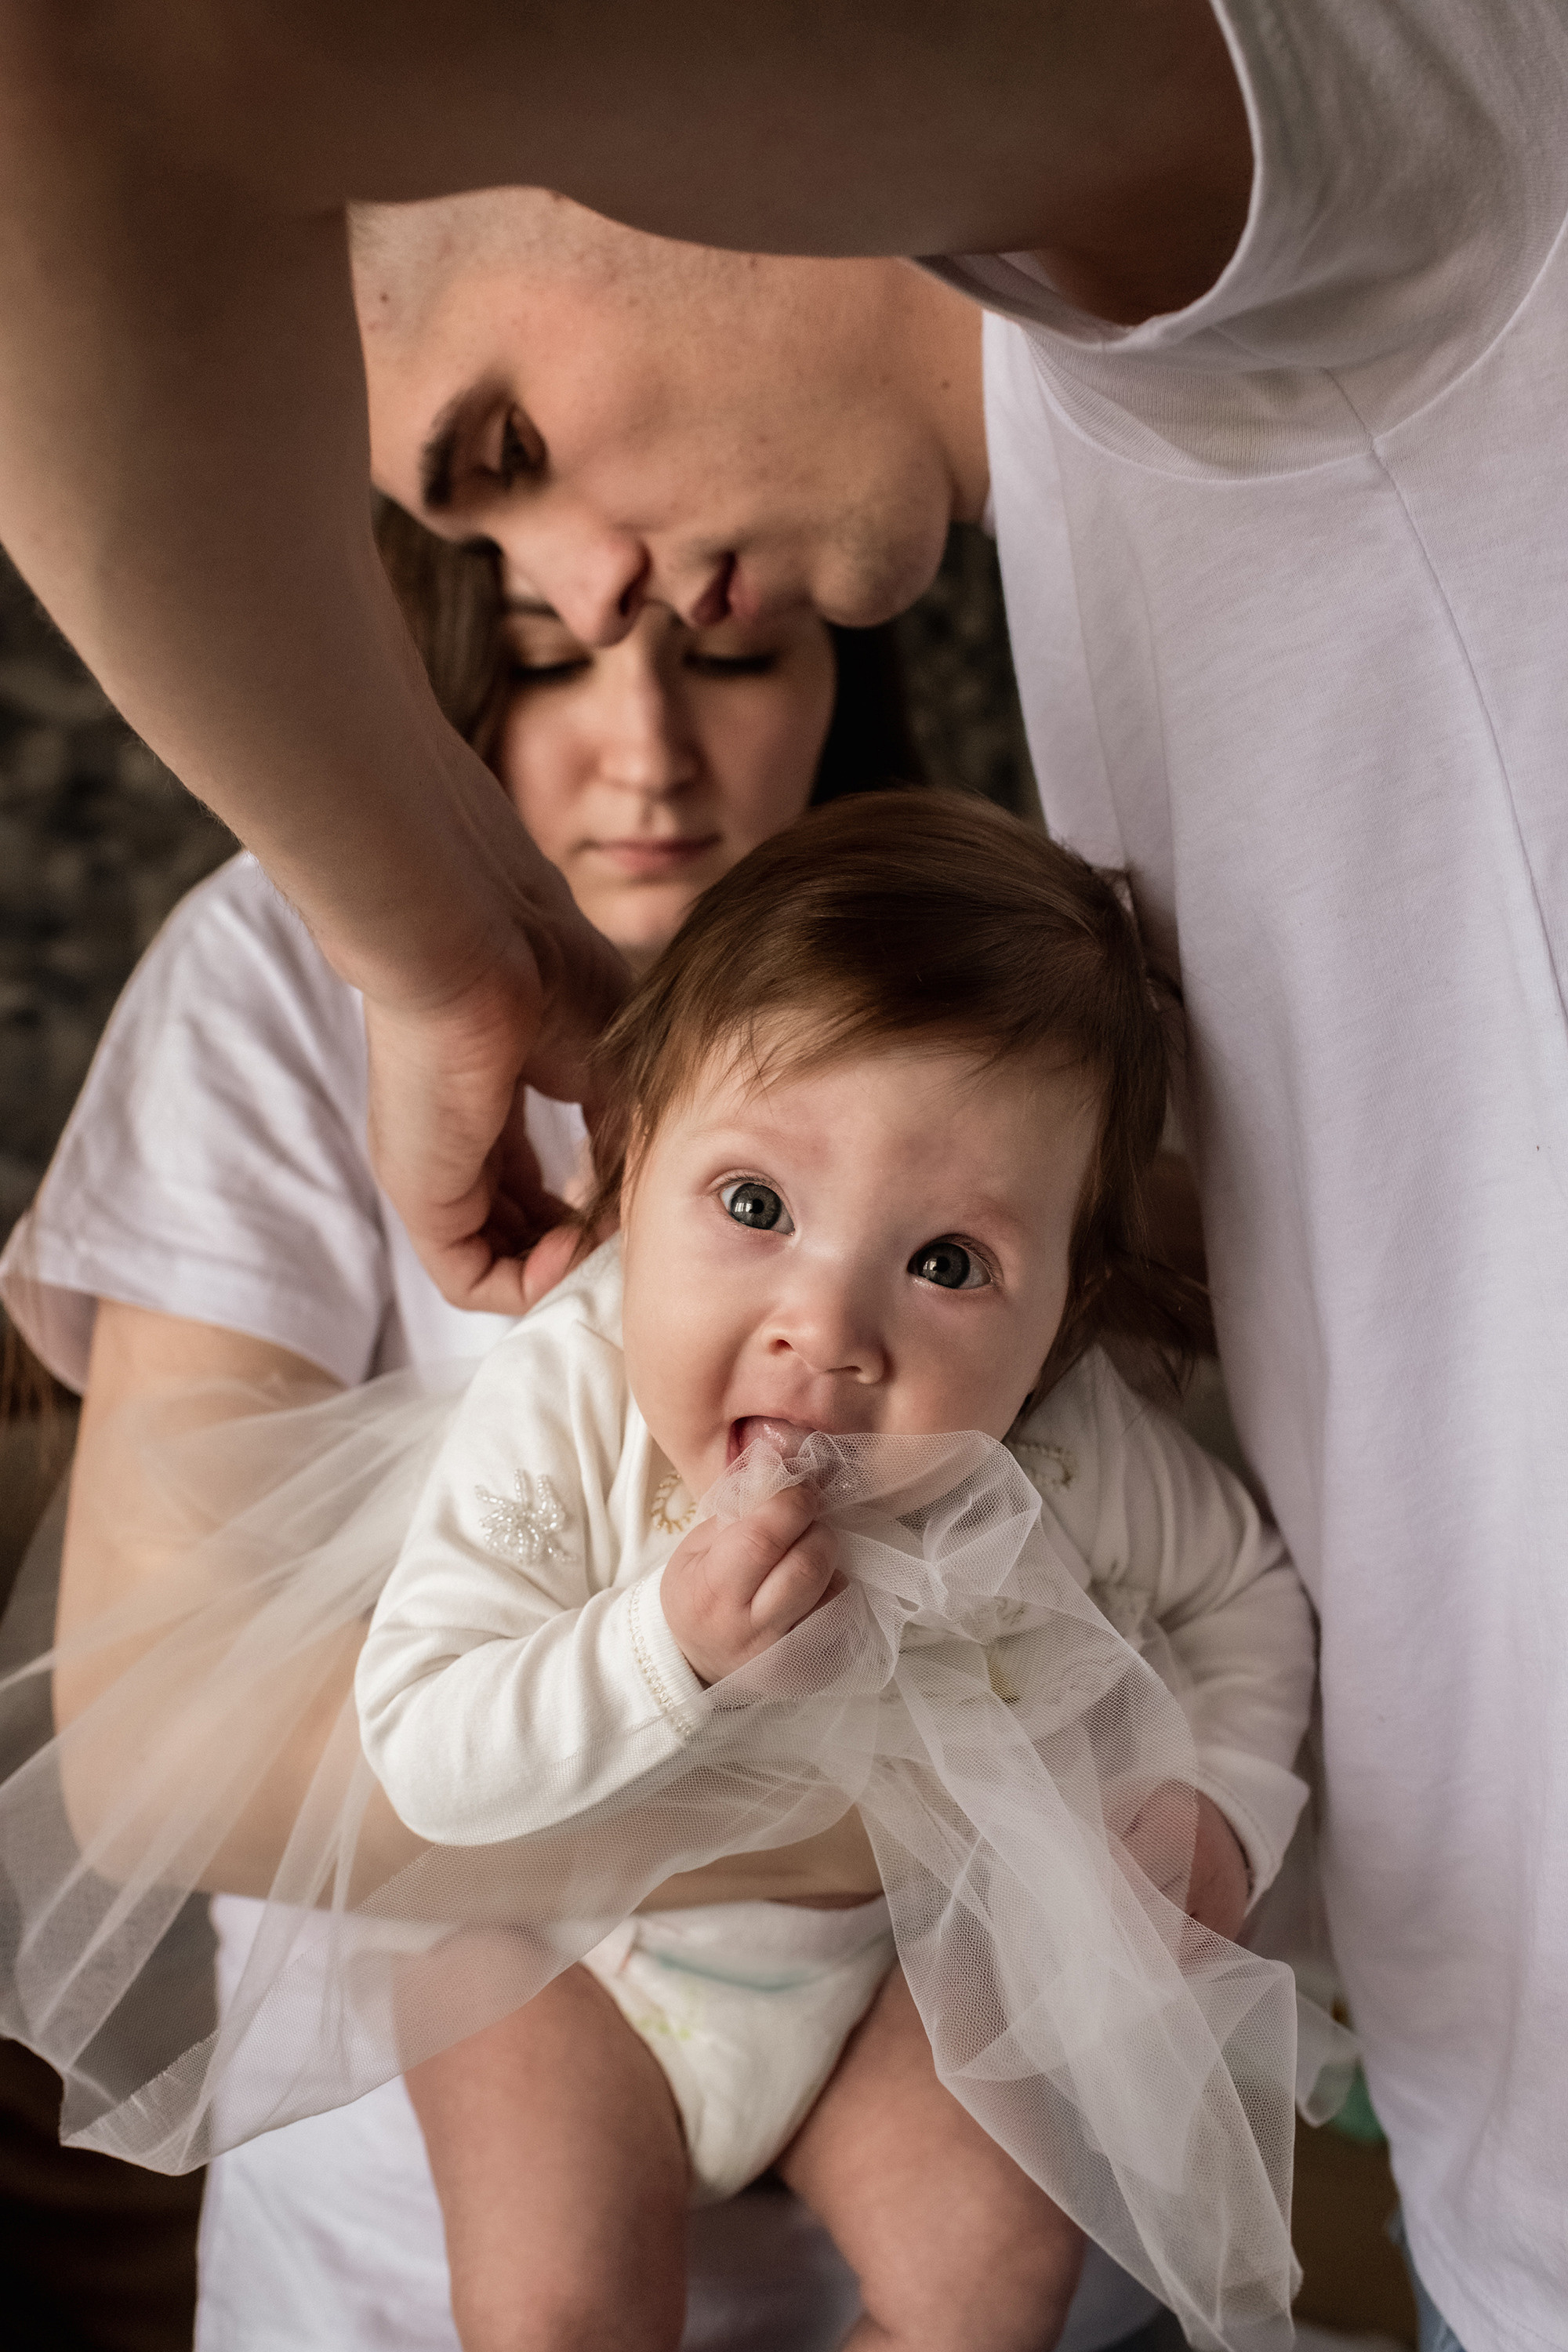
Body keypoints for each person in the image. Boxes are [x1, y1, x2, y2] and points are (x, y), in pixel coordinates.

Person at [0, 9, 1563, 2346]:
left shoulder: (1253, 221)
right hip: (1491, 2169)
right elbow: (185, 1747)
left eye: (511, 441)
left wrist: (433, 952)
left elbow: (76, 78)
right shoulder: (1112, 472)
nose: (622, 605)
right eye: (498, 582)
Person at [5, 795, 1318, 2352]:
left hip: (877, 1984)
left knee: (988, 2287)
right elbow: (421, 1741)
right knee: (558, 2312)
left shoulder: (1062, 1444)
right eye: (753, 1206)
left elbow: (1244, 1596)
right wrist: (659, 1646)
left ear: (1062, 1310)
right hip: (563, 1971)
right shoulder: (565, 1399)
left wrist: (1220, 1808)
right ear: (625, 1169)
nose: (826, 1329)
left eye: (949, 1264)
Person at [0, 513, 925, 2352]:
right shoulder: (276, 980)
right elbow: (170, 1738)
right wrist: (946, 1805)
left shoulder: (976, 977)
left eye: (730, 659)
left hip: (934, 2214)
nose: (647, 751)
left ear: (846, 667)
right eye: (539, 660)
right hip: (407, 2268)